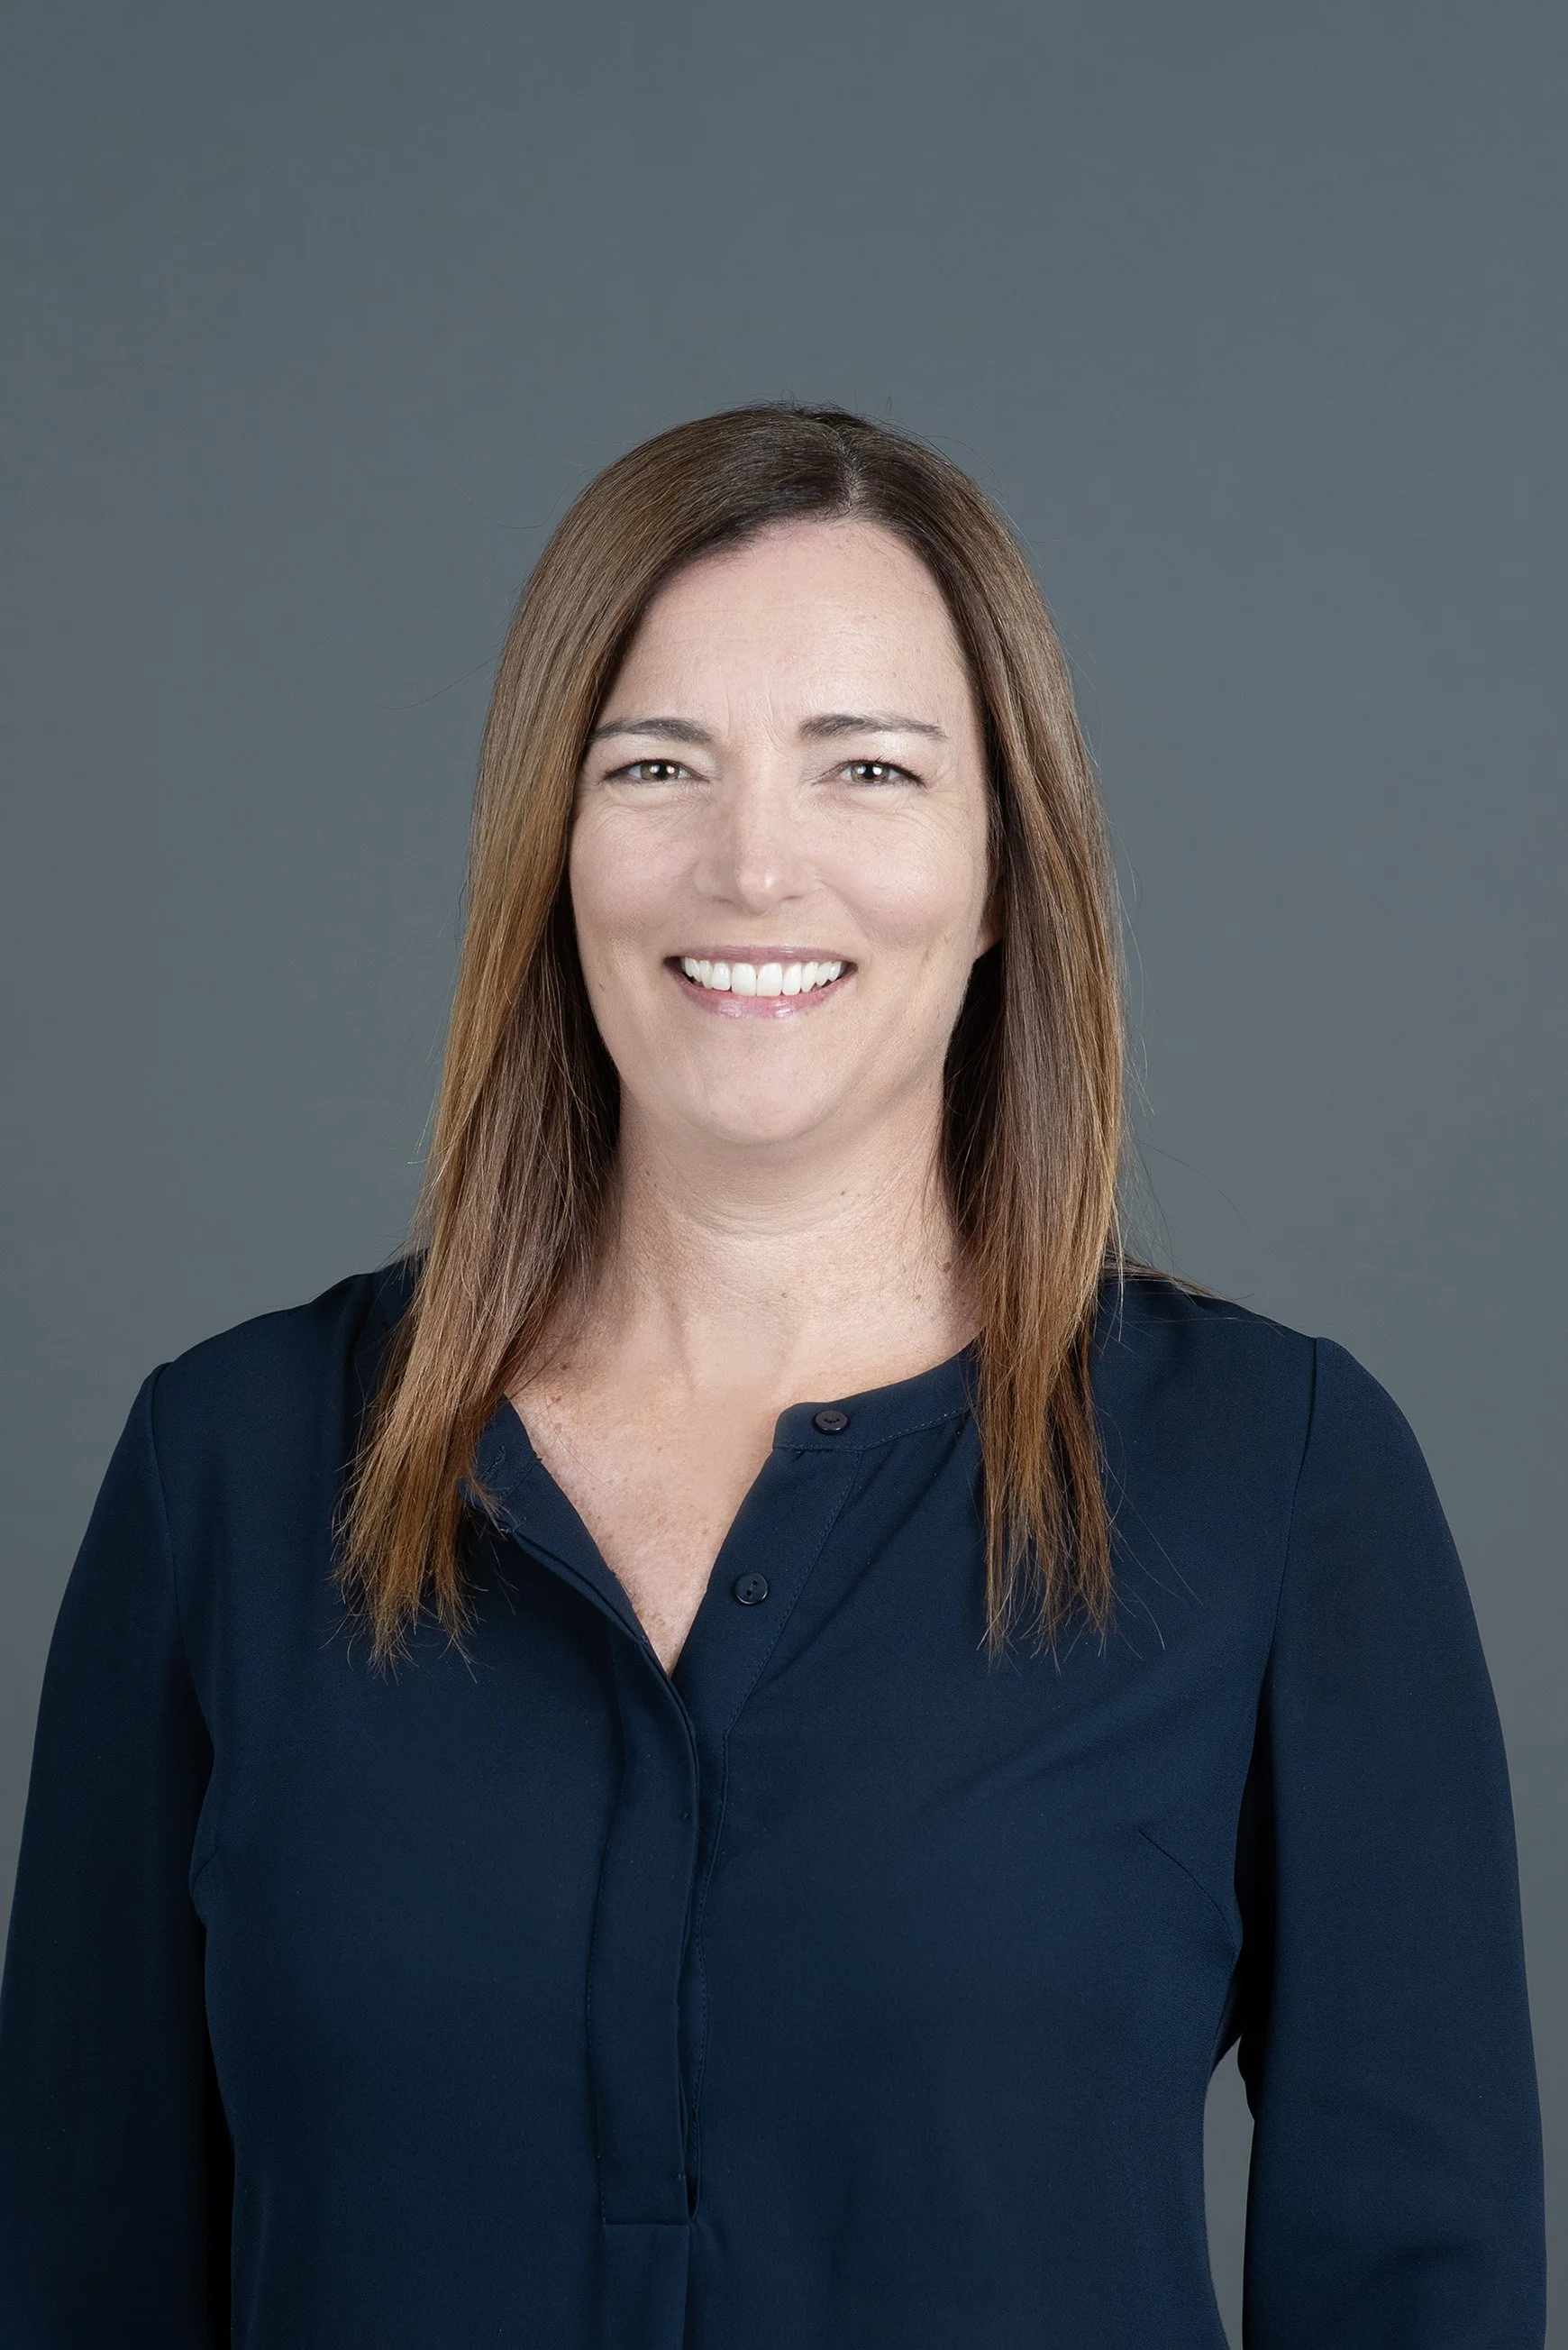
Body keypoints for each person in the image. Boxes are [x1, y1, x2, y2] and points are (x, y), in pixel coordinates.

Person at [0, 405, 1545, 2348]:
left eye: (868, 769)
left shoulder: (1278, 1477)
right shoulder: (222, 1471)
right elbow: (76, 2272)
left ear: (1003, 870)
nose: (751, 866)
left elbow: (1430, 2295)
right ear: (550, 847)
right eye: (658, 764)